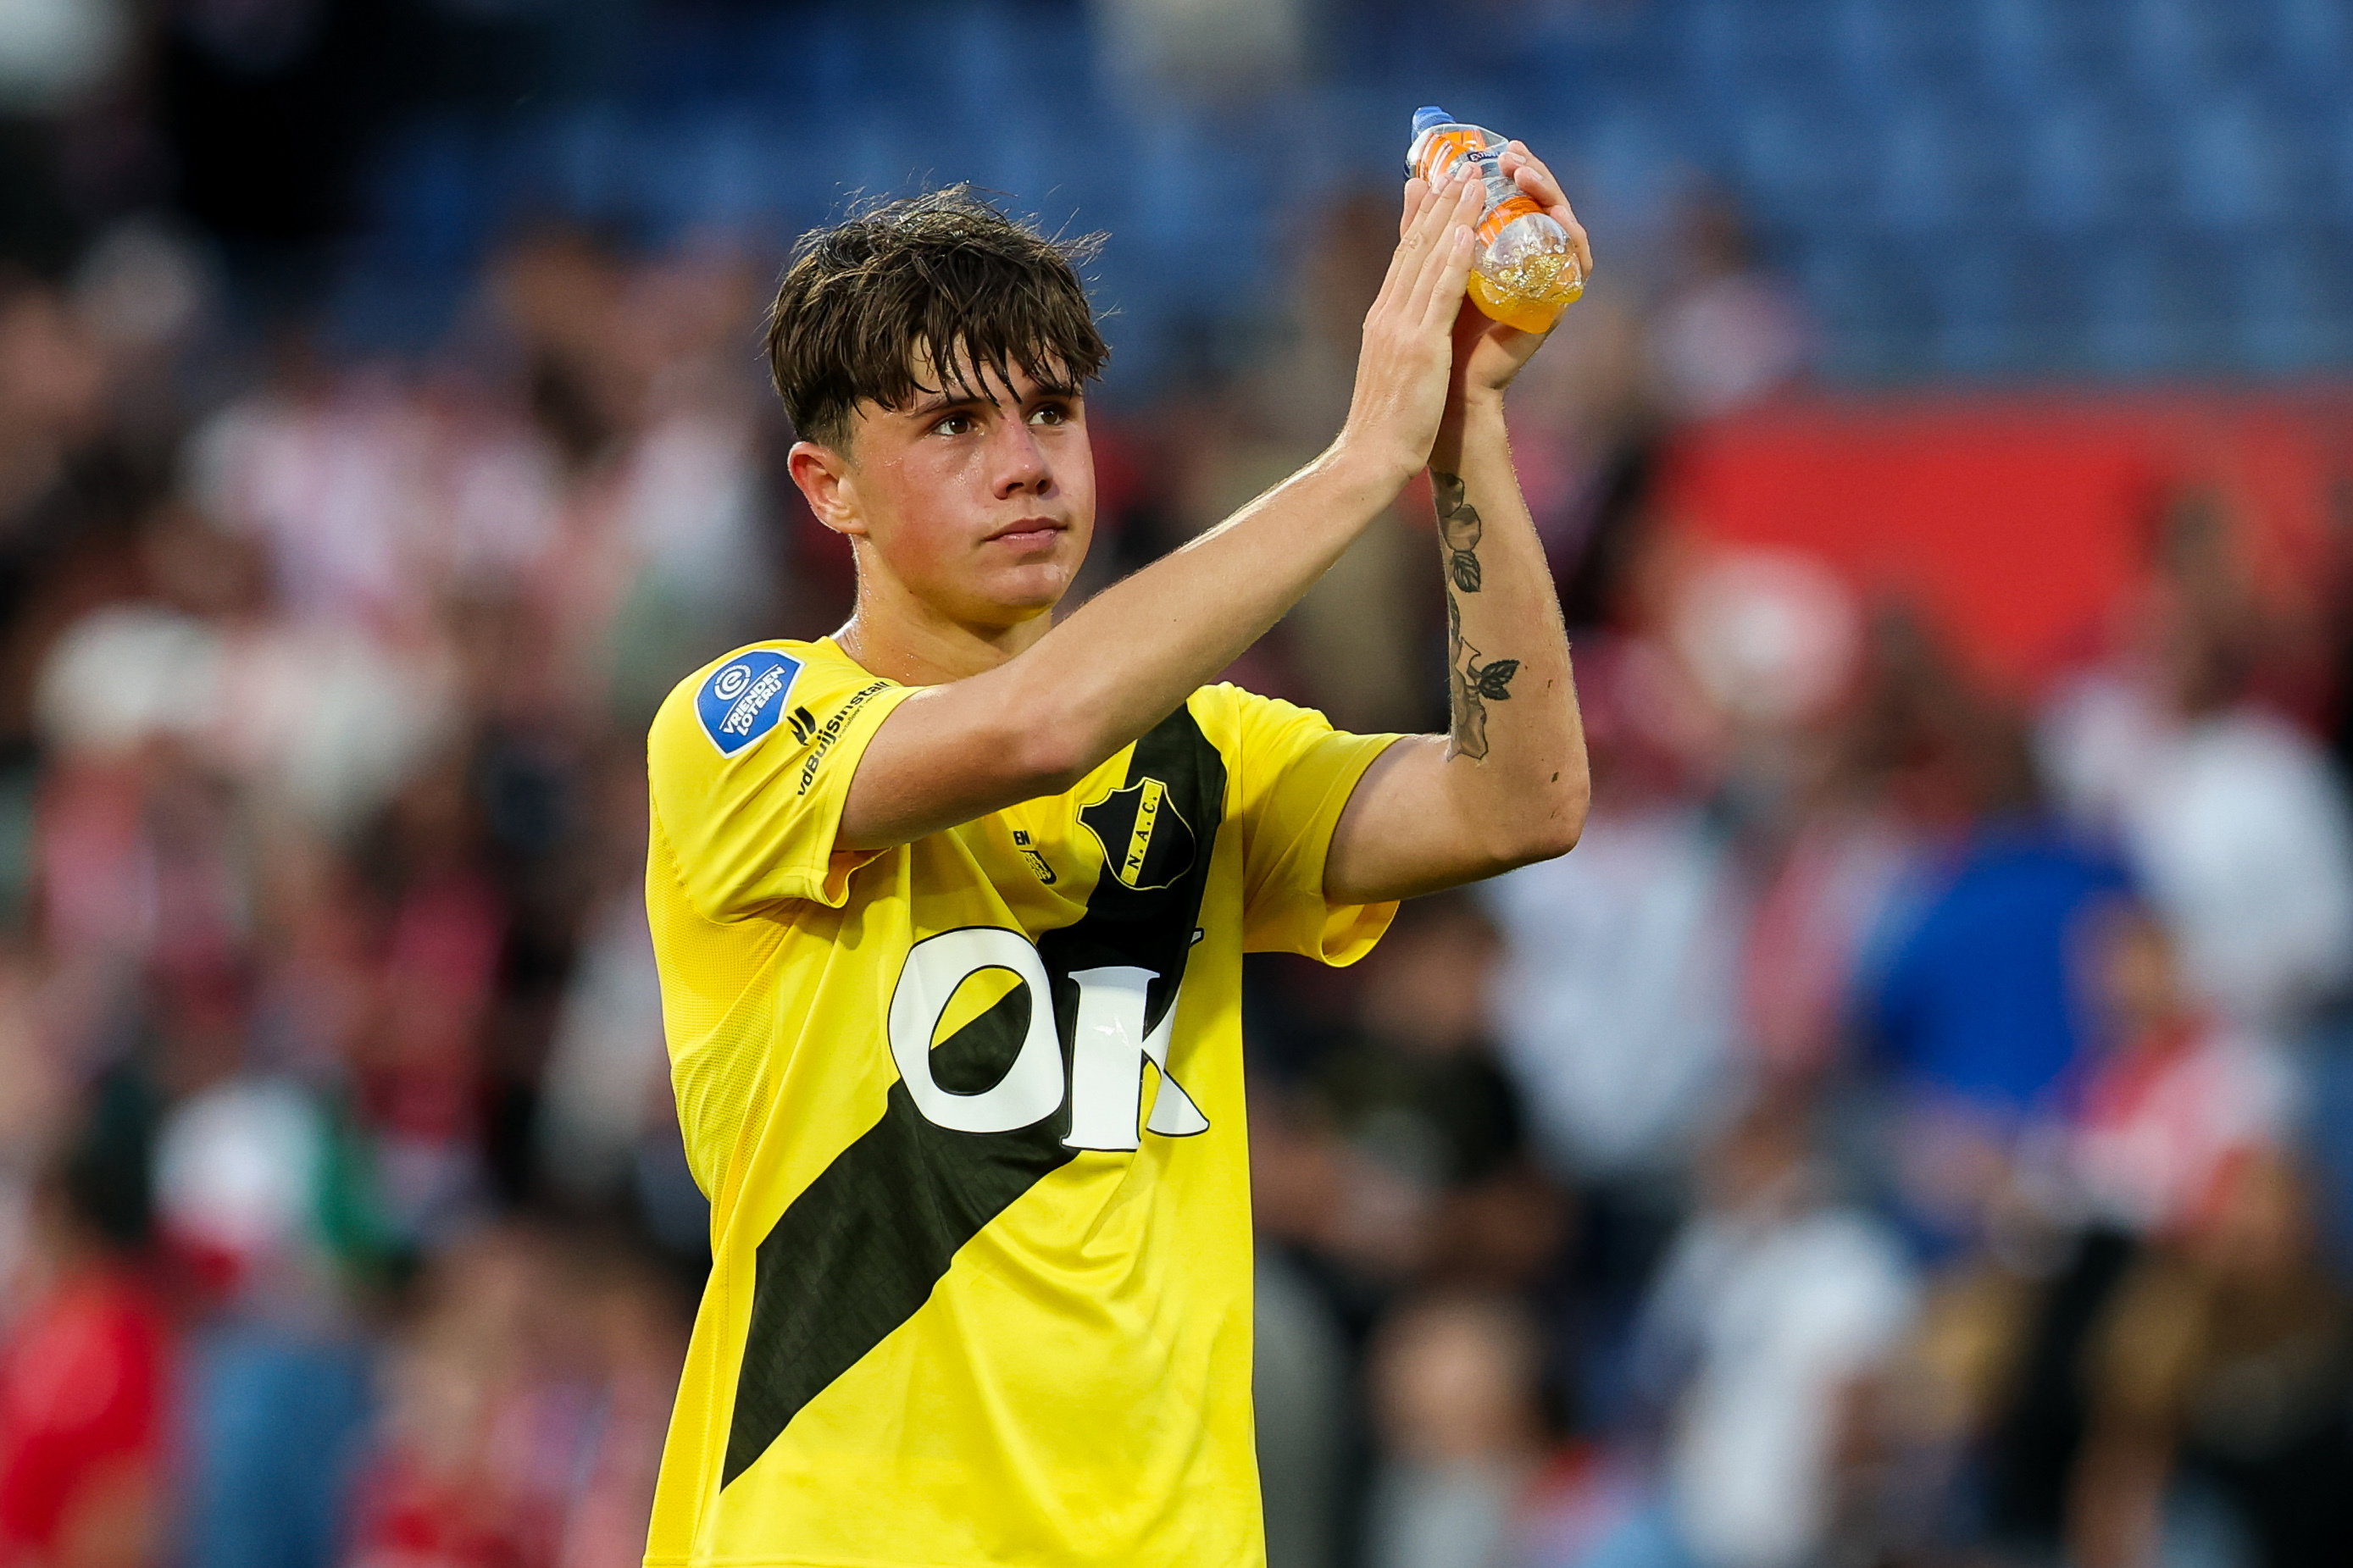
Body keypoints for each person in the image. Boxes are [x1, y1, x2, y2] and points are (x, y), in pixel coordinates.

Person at [639, 152, 1594, 1566]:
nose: (1025, 460)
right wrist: (1353, 464)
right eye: (953, 424)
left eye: (1052, 410)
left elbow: (1522, 800)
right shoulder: (746, 726)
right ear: (826, 486)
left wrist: (1462, 442)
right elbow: (1042, 725)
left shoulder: (1212, 748)